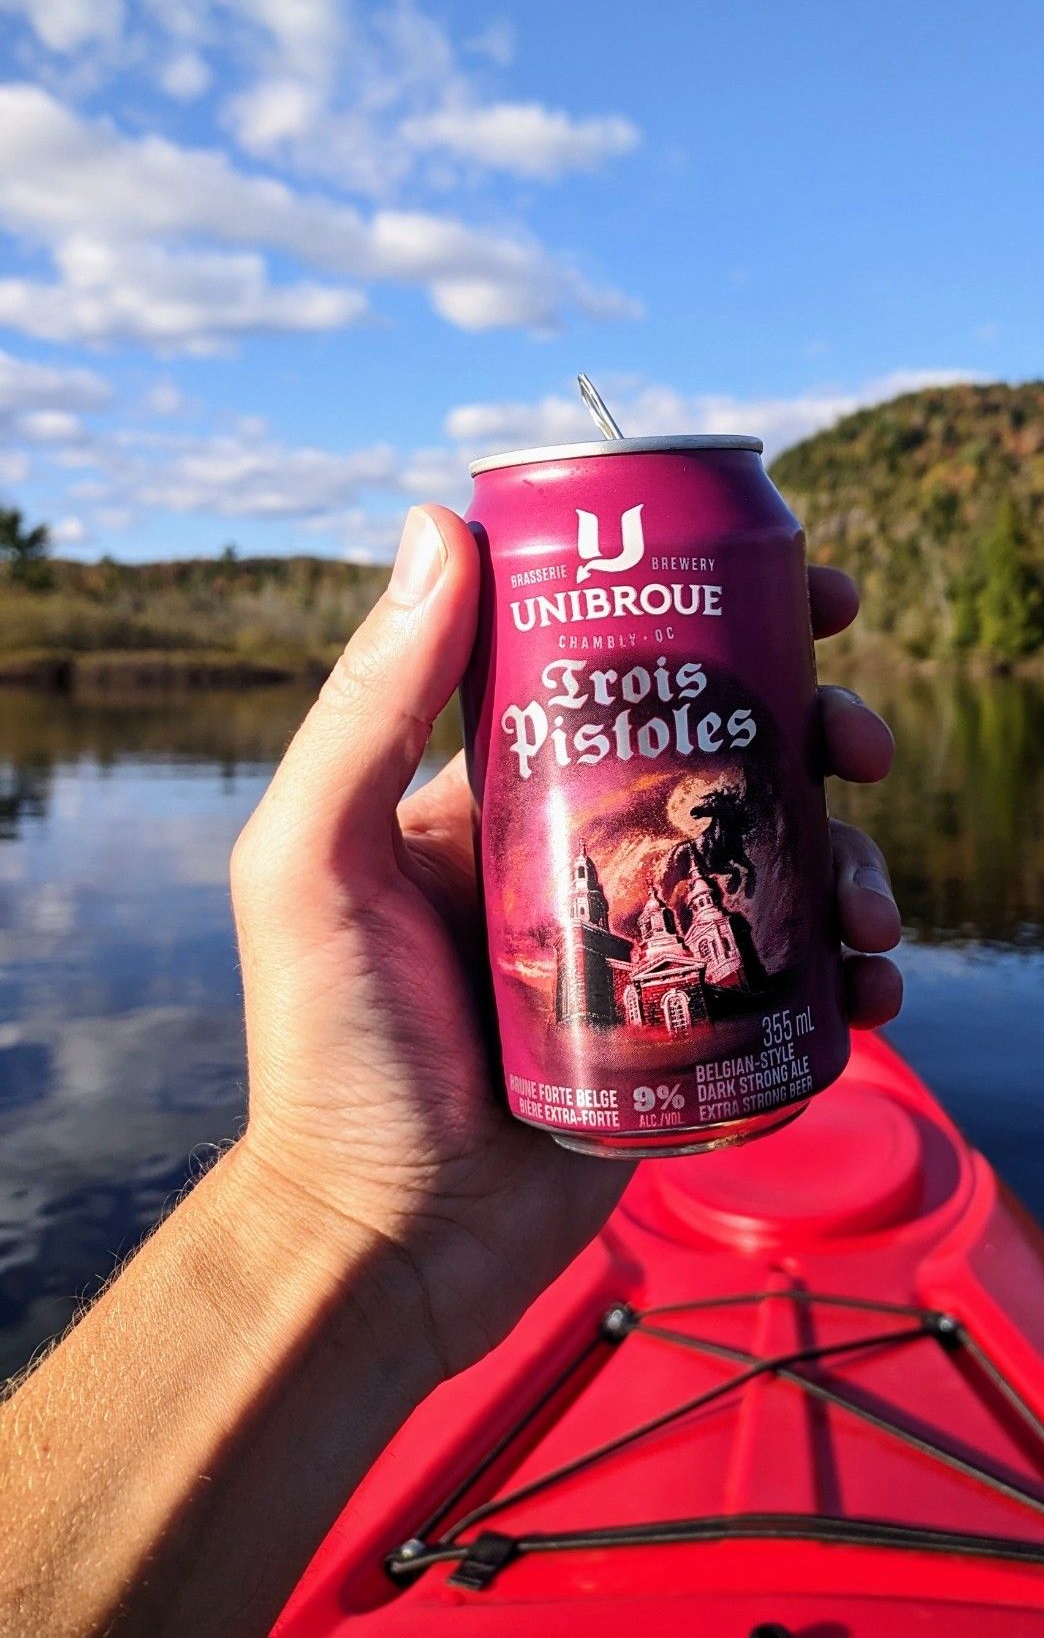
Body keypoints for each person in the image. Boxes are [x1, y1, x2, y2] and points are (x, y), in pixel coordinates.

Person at [0, 505, 904, 1638]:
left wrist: (338, 1231)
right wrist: (333, 1207)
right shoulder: (652, 884)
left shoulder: (699, 868)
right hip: (596, 1017)